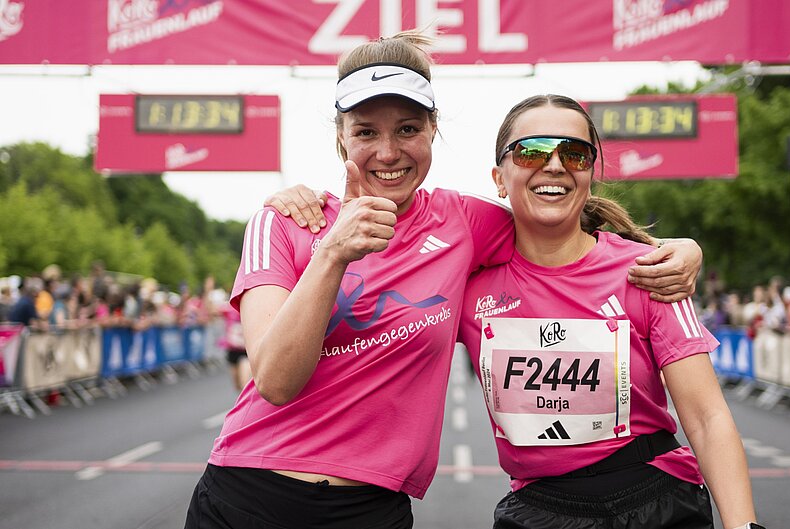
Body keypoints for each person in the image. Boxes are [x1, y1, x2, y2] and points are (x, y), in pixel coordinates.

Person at [185, 31, 704, 529]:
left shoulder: (464, 224)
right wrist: (332, 255)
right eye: (366, 132)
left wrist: (677, 249)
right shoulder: (285, 224)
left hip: (373, 507)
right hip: (245, 492)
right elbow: (275, 381)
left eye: (407, 129)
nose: (388, 152)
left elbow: (556, 220)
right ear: (341, 138)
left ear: (434, 131)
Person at [452, 94, 759, 528]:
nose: (555, 165)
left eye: (575, 153)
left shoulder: (649, 271)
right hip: (539, 510)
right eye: (532, 151)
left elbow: (708, 419)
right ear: (500, 178)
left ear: (590, 176)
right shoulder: (469, 287)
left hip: (655, 500)